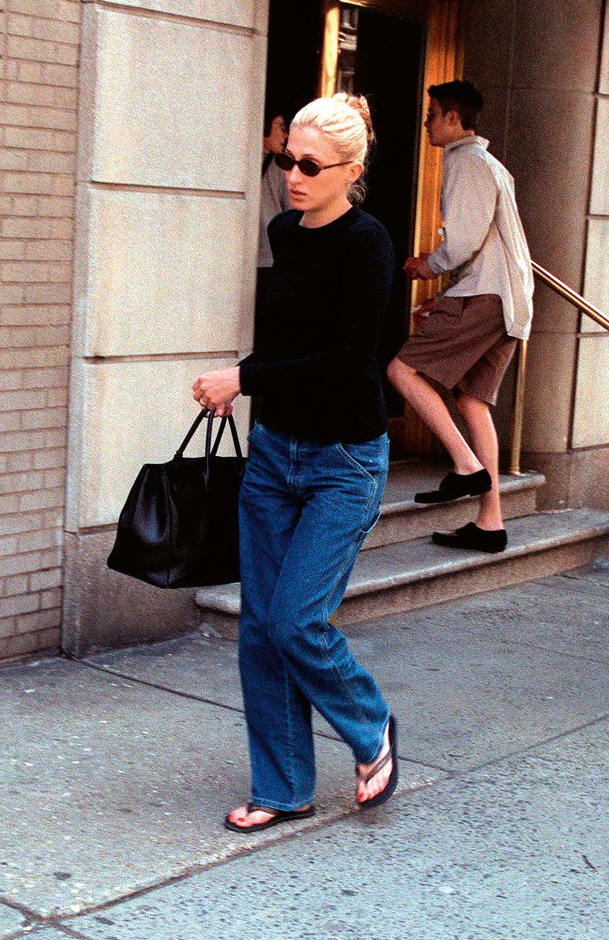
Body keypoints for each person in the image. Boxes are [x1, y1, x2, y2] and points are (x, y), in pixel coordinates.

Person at [192, 93, 399, 833]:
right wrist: (248, 378)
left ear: (352, 169)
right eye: (287, 160)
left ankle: (371, 724)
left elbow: (349, 359)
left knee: (297, 618)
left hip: (343, 458)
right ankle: (282, 785)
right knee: (260, 627)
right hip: (275, 452)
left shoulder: (368, 243)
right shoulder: (286, 230)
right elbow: (287, 344)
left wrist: (244, 378)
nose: (295, 175)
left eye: (311, 165)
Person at [387, 80, 534, 554]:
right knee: (472, 403)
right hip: (504, 299)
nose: (427, 123)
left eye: (432, 115)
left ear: (453, 118)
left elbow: (466, 242)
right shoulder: (489, 165)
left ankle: (466, 467)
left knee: (401, 370)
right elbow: (484, 246)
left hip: (486, 296)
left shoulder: (468, 163)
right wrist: (447, 296)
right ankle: (490, 522)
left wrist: (425, 267)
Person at [256, 109, 292, 347]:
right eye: (280, 126)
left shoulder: (241, 160)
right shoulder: (278, 167)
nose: (285, 135)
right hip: (270, 259)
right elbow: (293, 212)